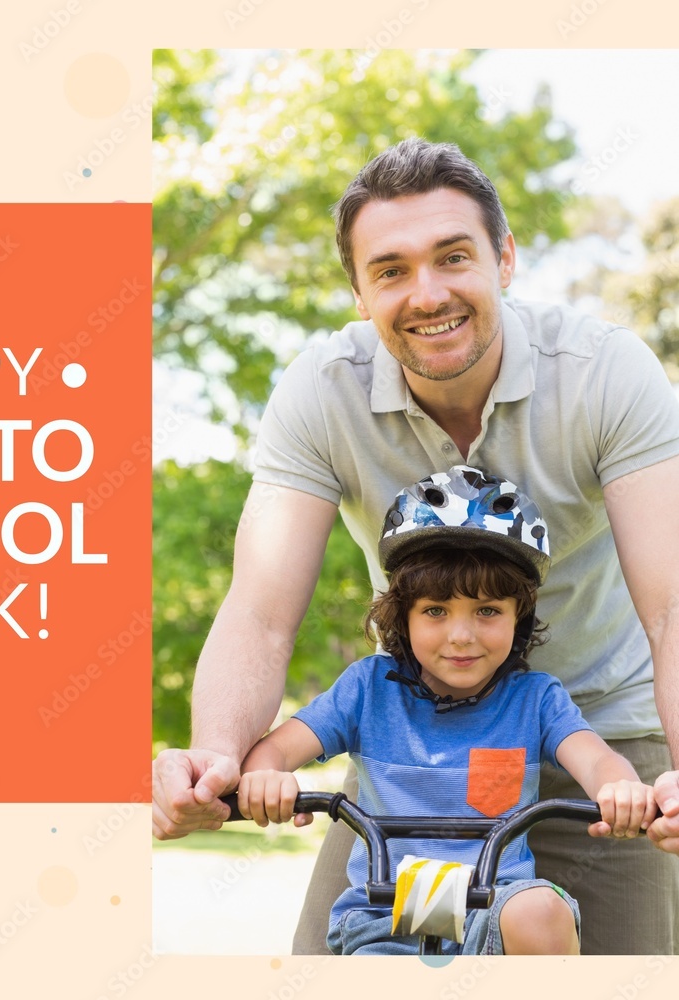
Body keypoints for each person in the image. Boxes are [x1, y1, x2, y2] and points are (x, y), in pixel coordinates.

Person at [152, 137, 679, 955]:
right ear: (359, 293)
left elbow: (671, 608)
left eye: (454, 256)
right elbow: (259, 612)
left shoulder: (605, 374)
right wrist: (220, 763)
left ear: (504, 258)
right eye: (391, 269)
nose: (427, 293)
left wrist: (661, 781)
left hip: (601, 742)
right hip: (413, 755)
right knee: (339, 956)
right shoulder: (321, 392)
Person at [237, 467, 657, 955]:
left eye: (487, 611)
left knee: (541, 911)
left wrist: (620, 789)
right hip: (385, 914)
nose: (462, 636)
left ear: (517, 617)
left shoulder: (536, 699)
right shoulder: (367, 689)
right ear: (402, 616)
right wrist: (266, 777)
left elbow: (597, 760)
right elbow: (273, 753)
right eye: (436, 611)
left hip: (494, 911)